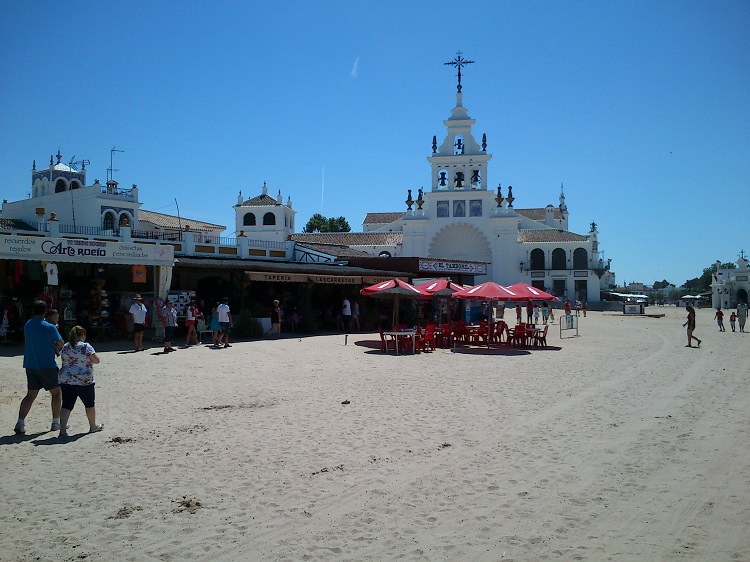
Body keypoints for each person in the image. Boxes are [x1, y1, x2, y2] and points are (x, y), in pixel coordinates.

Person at [14, 300, 64, 434]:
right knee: (56, 393)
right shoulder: (49, 327)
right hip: (47, 365)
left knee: (30, 395)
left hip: (30, 364)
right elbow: (60, 343)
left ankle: (20, 422)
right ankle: (55, 422)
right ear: (45, 311)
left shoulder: (28, 325)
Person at [58, 326, 103, 436]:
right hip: (84, 380)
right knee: (89, 404)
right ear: (82, 335)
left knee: (66, 405)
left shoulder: (65, 346)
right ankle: (93, 426)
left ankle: (62, 430)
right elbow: (96, 360)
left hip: (66, 379)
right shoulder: (85, 346)